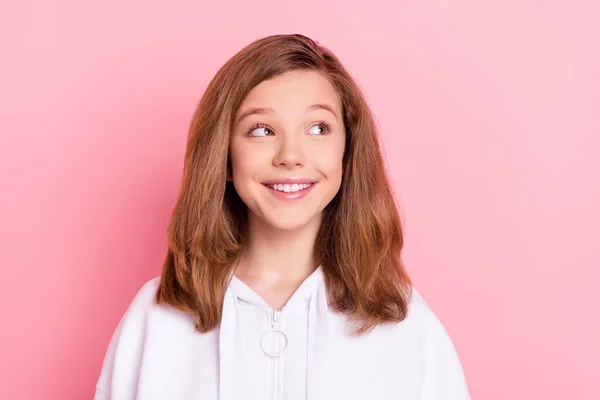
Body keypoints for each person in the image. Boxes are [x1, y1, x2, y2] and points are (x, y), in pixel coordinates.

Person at [94, 33, 471, 400]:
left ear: (348, 150)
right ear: (224, 156)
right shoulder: (157, 317)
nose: (291, 155)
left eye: (318, 128)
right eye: (261, 130)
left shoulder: (403, 321)